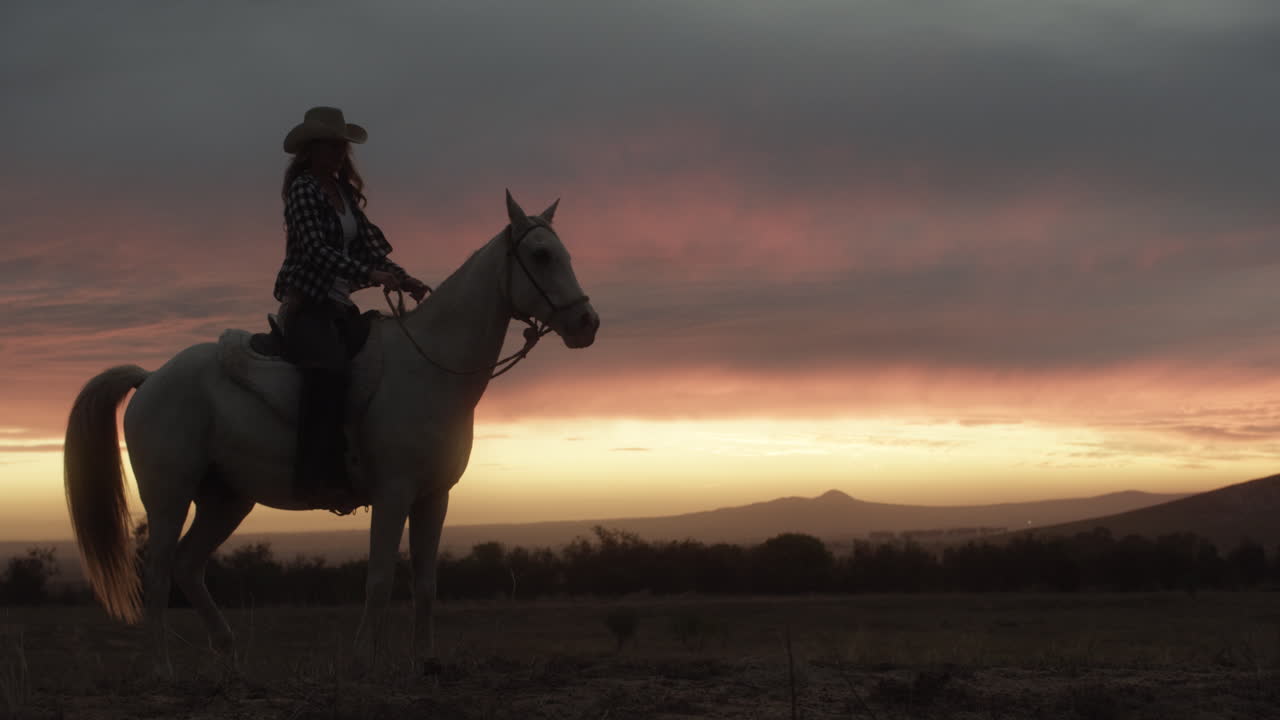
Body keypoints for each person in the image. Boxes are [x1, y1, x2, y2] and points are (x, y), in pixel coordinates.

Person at [274, 106, 428, 507]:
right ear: (310, 150)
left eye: (341, 146)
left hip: (340, 307)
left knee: (382, 365)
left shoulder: (344, 196)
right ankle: (316, 476)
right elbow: (316, 250)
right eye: (330, 146)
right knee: (329, 371)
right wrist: (370, 274)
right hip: (309, 303)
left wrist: (405, 279)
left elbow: (372, 249)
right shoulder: (303, 190)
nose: (338, 153)